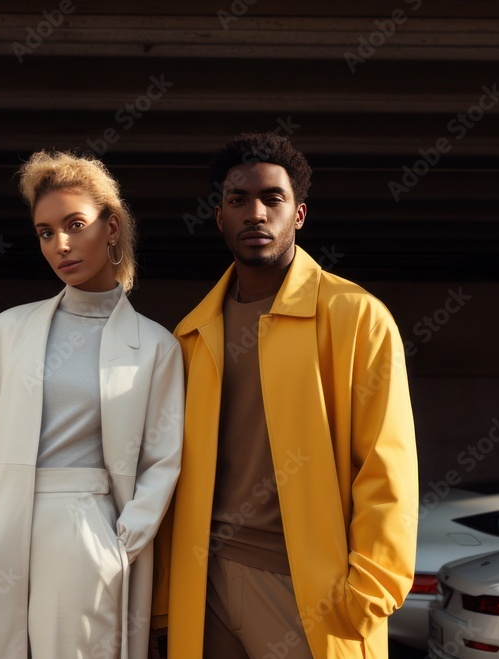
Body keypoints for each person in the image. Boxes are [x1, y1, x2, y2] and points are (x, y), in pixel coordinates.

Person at [151, 133, 418, 658]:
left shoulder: (355, 316)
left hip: (306, 589)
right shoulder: (190, 335)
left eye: (272, 198)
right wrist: (165, 603)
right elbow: (168, 477)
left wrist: (369, 592)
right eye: (237, 200)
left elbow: (387, 466)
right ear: (218, 217)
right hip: (202, 585)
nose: (255, 213)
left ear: (298, 214)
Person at [0, 150, 184, 659]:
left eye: (76, 224)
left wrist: (123, 541)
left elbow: (163, 458)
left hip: (87, 525)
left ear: (112, 227)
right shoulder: (8, 329)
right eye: (45, 232)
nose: (61, 245)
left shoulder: (156, 345)